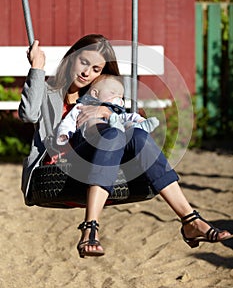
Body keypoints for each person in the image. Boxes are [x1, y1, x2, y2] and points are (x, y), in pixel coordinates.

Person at [18, 34, 232, 259]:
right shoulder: (48, 90)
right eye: (83, 62)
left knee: (137, 136)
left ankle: (190, 220)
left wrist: (107, 112)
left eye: (96, 68)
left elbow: (126, 120)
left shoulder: (102, 93)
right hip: (63, 167)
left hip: (100, 162)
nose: (87, 72)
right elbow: (28, 114)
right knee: (111, 134)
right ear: (72, 58)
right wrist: (37, 68)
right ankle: (90, 226)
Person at [56, 73, 159, 145]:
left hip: (117, 135)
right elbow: (69, 121)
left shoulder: (115, 110)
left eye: (120, 95)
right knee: (94, 122)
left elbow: (127, 116)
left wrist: (139, 119)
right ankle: (112, 130)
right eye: (113, 93)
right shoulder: (83, 106)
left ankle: (140, 127)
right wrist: (64, 133)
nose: (117, 97)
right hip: (88, 140)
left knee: (127, 123)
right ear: (95, 93)